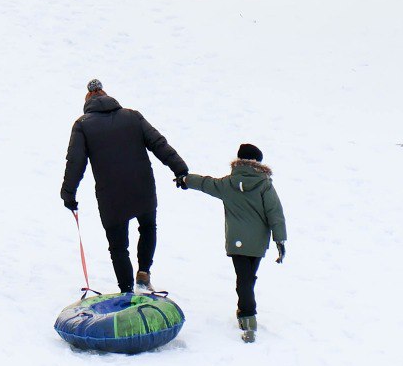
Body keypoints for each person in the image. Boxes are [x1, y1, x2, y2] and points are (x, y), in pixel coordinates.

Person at [61, 79, 188, 294]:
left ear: (87, 101)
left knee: (118, 247)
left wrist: (68, 194)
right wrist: (180, 169)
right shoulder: (132, 116)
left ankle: (126, 291)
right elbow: (159, 143)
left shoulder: (83, 125)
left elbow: (76, 162)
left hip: (111, 196)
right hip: (143, 188)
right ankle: (143, 274)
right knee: (148, 228)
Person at [181, 143, 287, 343]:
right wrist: (279, 240)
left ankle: (247, 315)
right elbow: (275, 213)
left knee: (244, 278)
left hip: (236, 241)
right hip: (257, 243)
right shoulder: (264, 185)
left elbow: (205, 183)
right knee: (247, 278)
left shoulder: (228, 184)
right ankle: (248, 316)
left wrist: (186, 180)